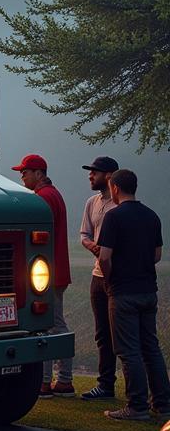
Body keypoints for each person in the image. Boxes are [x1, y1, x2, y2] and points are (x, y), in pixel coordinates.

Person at [98, 169, 170, 421]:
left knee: (129, 351)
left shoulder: (113, 217)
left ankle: (136, 406)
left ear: (115, 188)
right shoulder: (152, 216)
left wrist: (109, 279)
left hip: (123, 292)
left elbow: (105, 256)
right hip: (148, 291)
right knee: (151, 347)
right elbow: (157, 255)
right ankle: (162, 405)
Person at [12, 153, 73, 397]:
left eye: (25, 171)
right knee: (55, 325)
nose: (22, 175)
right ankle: (61, 380)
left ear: (39, 173)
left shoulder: (43, 198)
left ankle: (50, 381)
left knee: (49, 327)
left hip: (48, 274)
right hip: (56, 271)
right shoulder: (53, 194)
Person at [79, 156, 120, 402]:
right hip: (97, 275)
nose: (90, 175)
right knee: (102, 333)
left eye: (94, 171)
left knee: (123, 334)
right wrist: (92, 246)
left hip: (116, 276)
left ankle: (139, 389)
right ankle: (106, 385)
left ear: (109, 175)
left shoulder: (120, 206)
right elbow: (84, 233)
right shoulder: (91, 202)